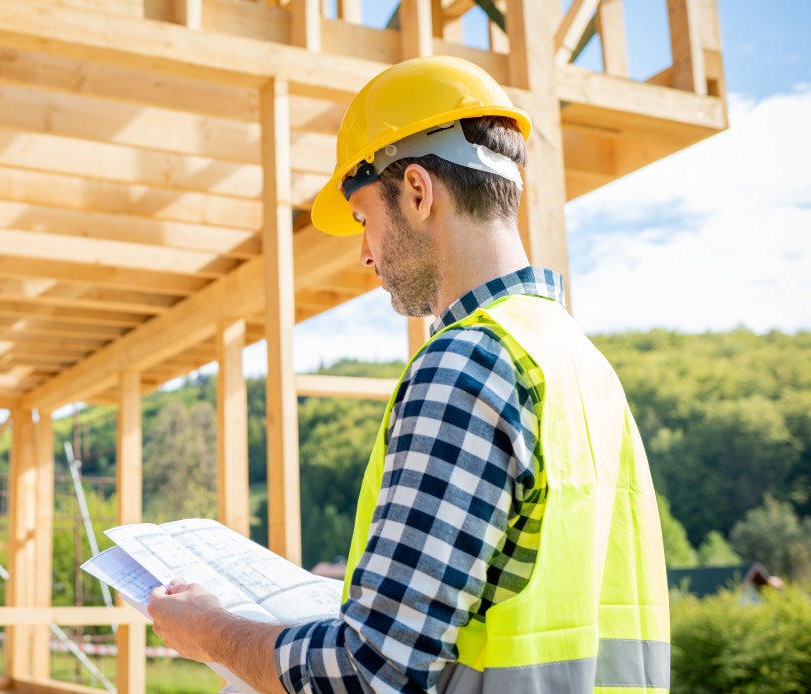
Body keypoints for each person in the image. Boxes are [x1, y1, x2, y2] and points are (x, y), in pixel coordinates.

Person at [147, 56, 670, 694]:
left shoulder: (469, 363)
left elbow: (372, 673)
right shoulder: (582, 364)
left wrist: (212, 632)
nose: (364, 253)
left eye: (365, 219)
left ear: (418, 192)